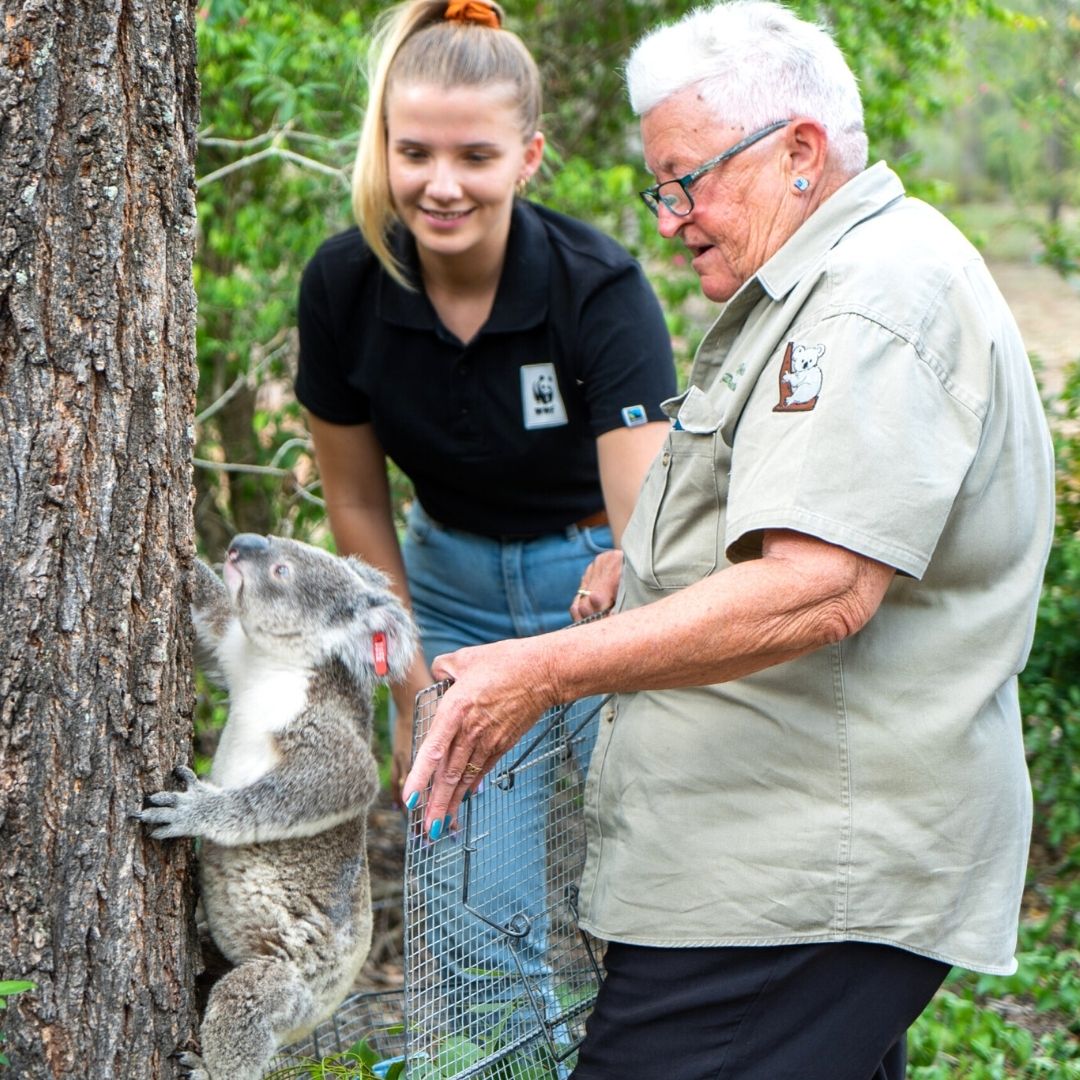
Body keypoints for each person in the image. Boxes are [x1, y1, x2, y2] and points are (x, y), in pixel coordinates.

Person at [402, 3, 1057, 1078]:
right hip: (767, 866)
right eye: (663, 186)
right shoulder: (825, 282)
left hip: (792, 887)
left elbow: (819, 589)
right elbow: (814, 516)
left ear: (800, 152)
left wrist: (542, 672)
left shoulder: (868, 302)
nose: (670, 217)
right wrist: (655, 560)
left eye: (687, 180)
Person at [294, 0, 676, 1044]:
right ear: (385, 147)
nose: (442, 183)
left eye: (475, 153)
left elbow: (645, 518)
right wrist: (412, 671)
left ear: (529, 155)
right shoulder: (343, 286)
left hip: (599, 590)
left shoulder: (598, 287)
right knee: (471, 899)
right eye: (414, 151)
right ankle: (509, 1060)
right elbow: (358, 501)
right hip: (446, 590)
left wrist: (602, 629)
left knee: (662, 869)